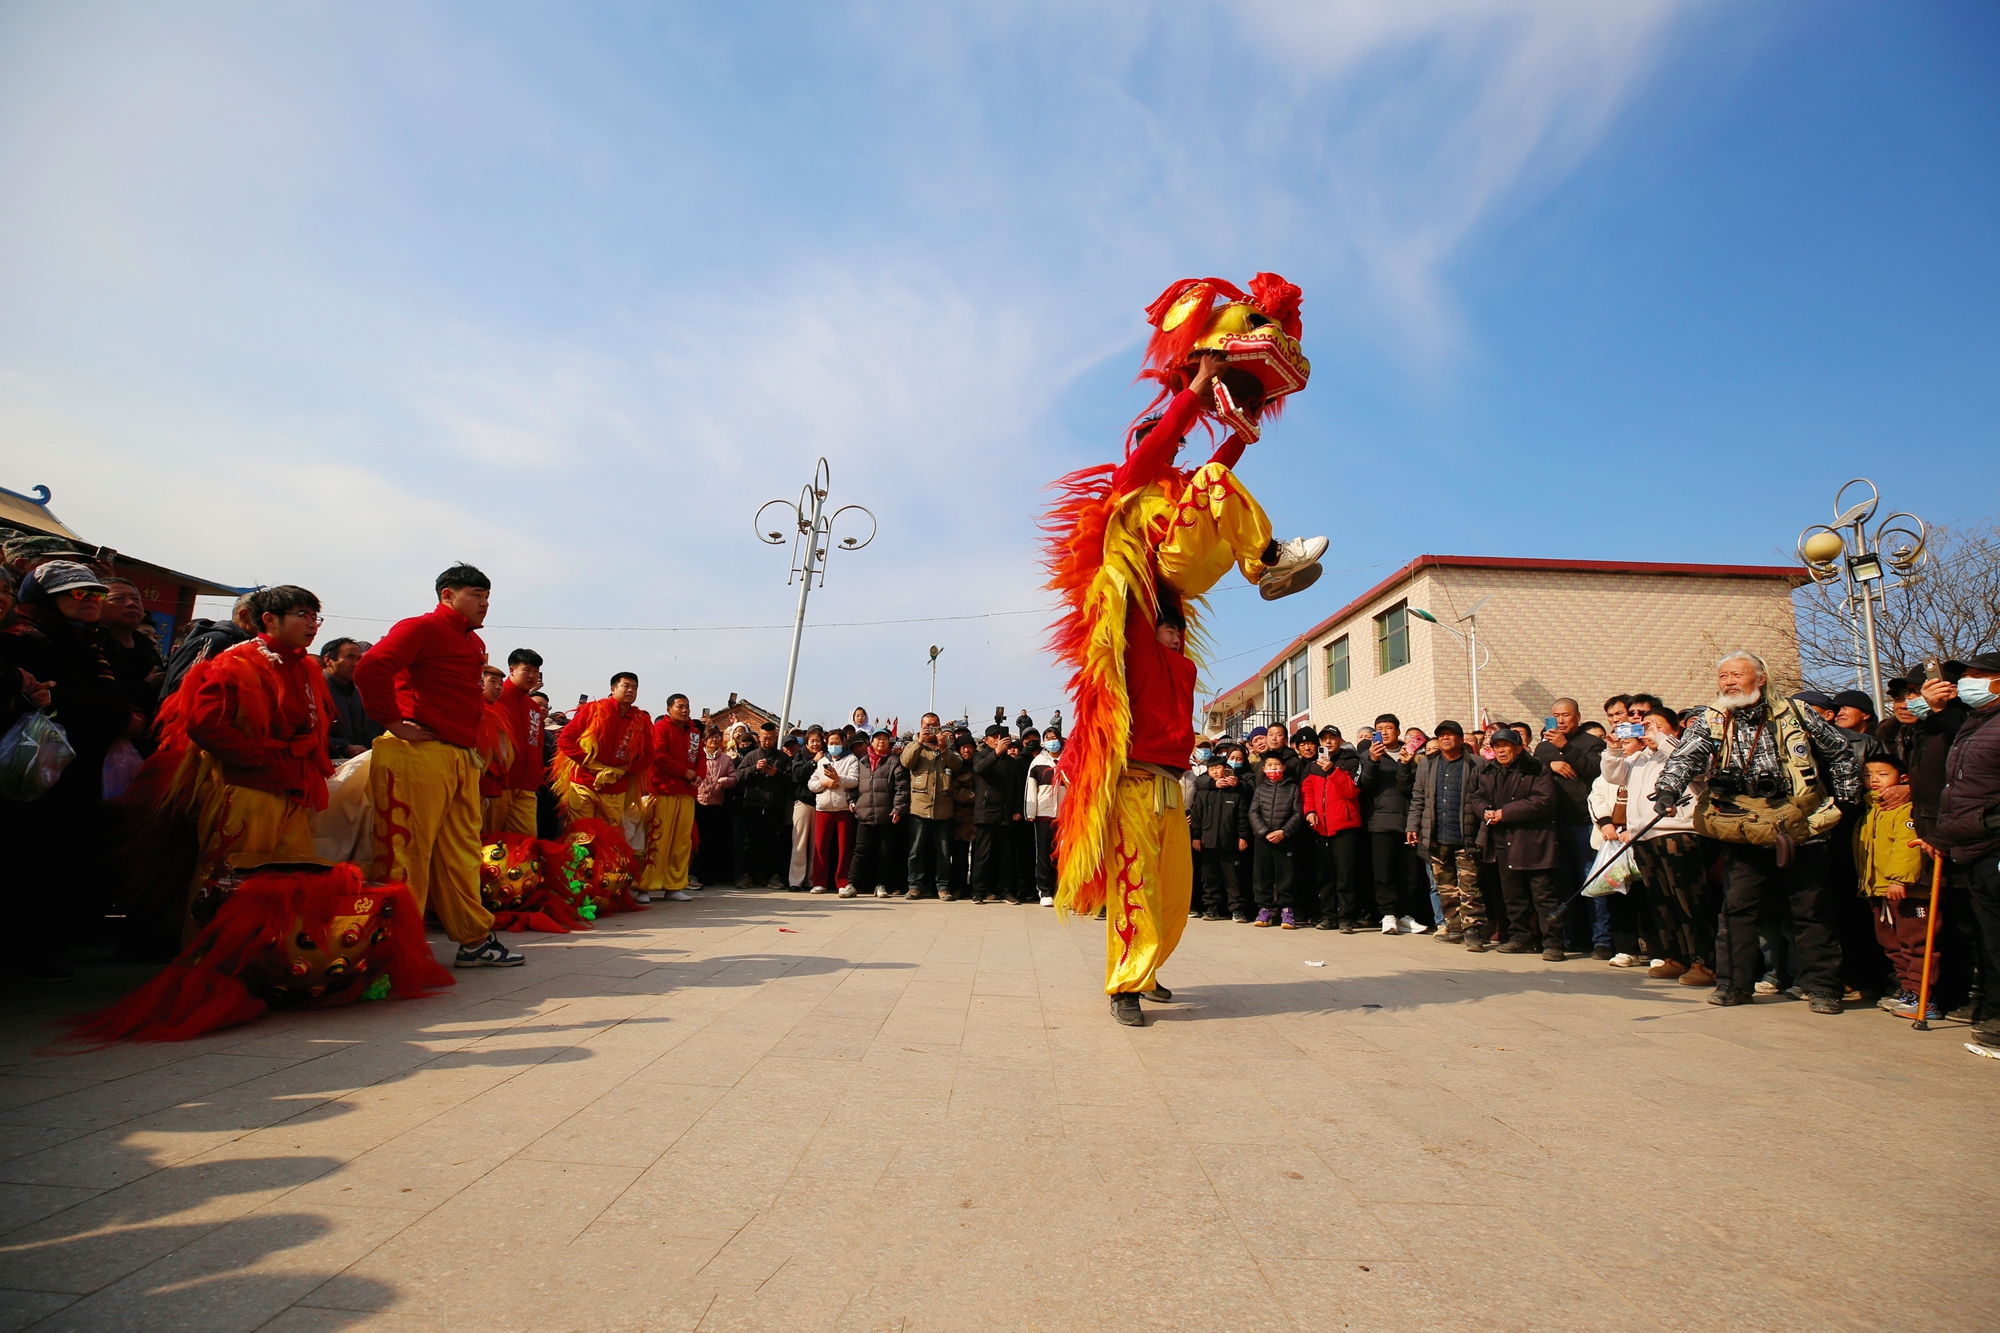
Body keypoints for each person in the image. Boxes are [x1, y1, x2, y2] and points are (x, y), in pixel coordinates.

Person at [1045, 273, 1326, 1026]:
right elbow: (1163, 458)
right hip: (1134, 765)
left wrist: (1245, 422)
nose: (1164, 478)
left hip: (1174, 767)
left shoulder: (1170, 598)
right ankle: (1124, 983)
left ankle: (1153, 967)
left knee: (1174, 887)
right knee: (1137, 881)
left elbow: (1216, 478)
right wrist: (1196, 390)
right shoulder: (1126, 561)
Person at [1652, 650, 1861, 1012]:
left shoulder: (1796, 712)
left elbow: (1840, 751)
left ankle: (1823, 988)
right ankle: (1734, 985)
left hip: (1801, 823)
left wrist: (1845, 801)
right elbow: (1685, 756)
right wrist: (1670, 789)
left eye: (1737, 675)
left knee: (1812, 909)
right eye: (1723, 676)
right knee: (1737, 909)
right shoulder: (1712, 719)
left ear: (1760, 679)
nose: (1729, 682)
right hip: (1742, 823)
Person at [353, 564, 522, 967]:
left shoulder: (472, 644)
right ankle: (393, 946)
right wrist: (393, 722)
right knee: (405, 851)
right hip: (418, 755)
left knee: (462, 853)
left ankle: (474, 938)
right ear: (447, 595)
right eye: (475, 595)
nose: (484, 604)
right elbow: (370, 667)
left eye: (487, 597)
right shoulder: (420, 628)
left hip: (458, 757)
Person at [172, 584, 335, 910]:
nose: (312, 624)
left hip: (289, 784)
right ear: (269, 619)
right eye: (302, 615)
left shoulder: (303, 666)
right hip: (247, 785)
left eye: (316, 616)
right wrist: (258, 759)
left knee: (290, 877)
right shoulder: (237, 661)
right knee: (232, 878)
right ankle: (216, 955)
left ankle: (271, 956)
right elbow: (205, 723)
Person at [1602, 707, 1715, 986]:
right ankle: (1674, 957)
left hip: (1678, 833)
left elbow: (1701, 769)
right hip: (1644, 837)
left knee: (1689, 901)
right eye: (1644, 726)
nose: (1649, 731)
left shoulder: (1681, 751)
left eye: (1655, 725)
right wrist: (1615, 750)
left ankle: (1704, 961)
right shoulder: (1640, 758)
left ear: (1673, 728)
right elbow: (1613, 776)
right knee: (1661, 903)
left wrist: (1663, 740)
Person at [1934, 652, 2000, 1049]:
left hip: (1993, 839)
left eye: (1979, 675)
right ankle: (1993, 1011)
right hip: (1972, 844)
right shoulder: (1975, 723)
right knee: (1992, 940)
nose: (1968, 681)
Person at [1851, 754, 1937, 1020]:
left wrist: (1899, 879)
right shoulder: (1871, 810)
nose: (1874, 780)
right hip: (1879, 890)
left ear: (1903, 779)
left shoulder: (1905, 809)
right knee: (1892, 945)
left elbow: (1907, 846)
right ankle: (1907, 990)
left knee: (1917, 945)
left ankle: (1925, 999)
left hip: (1907, 890)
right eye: (1867, 775)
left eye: (1882, 774)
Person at [1469, 726, 1565, 959]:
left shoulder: (1536, 769)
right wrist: (1487, 812)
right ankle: (1519, 938)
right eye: (1497, 747)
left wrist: (1505, 813)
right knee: (1512, 895)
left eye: (1506, 746)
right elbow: (1478, 797)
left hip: (1534, 841)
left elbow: (1542, 801)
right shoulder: (1489, 771)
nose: (1501, 751)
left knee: (1543, 896)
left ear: (1519, 748)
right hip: (1503, 841)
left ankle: (1553, 943)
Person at [1534, 698, 1610, 958]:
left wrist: (1565, 748)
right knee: (1563, 885)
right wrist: (1549, 765)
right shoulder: (1543, 748)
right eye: (1556, 715)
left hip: (1584, 823)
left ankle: (1602, 940)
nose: (1561, 720)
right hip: (1554, 824)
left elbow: (1594, 770)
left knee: (1592, 883)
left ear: (1577, 716)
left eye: (1566, 715)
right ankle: (1570, 937)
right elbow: (1530, 774)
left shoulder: (1592, 743)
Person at [1407, 720, 1485, 950]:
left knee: (1469, 887)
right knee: (1445, 887)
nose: (1445, 739)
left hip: (1465, 835)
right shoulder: (1428, 764)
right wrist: (1413, 826)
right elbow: (1418, 797)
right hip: (1436, 835)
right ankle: (1455, 927)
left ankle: (1473, 930)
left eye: (1450, 735)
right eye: (1441, 735)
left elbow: (1484, 800)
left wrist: (1482, 835)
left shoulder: (1477, 764)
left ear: (1461, 739)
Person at [552, 673, 653, 830]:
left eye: (634, 688)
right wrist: (589, 763)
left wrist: (625, 769)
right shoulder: (593, 711)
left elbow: (648, 756)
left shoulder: (641, 720)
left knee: (608, 836)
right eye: (626, 686)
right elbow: (565, 740)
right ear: (613, 689)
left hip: (616, 787)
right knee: (580, 834)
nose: (630, 691)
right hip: (584, 782)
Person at [1357, 714, 1425, 935]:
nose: (1384, 732)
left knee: (1409, 873)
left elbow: (1410, 790)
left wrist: (1404, 765)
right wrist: (1373, 762)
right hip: (1380, 822)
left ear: (1398, 731)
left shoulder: (1412, 755)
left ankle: (1407, 915)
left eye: (1388, 728)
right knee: (1383, 872)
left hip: (1407, 823)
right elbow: (1364, 787)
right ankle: (1388, 915)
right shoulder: (1368, 755)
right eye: (1380, 728)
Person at [488, 649, 546, 839]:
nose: (532, 676)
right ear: (512, 670)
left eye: (536, 671)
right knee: (489, 840)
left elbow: (537, 743)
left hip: (527, 786)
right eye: (526, 670)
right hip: (498, 785)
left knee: (526, 843)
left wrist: (537, 773)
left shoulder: (533, 707)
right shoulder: (495, 699)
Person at [902, 713, 960, 900]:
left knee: (944, 852)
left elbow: (958, 765)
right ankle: (914, 886)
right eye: (927, 725)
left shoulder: (947, 746)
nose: (931, 729)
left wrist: (944, 749)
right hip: (919, 807)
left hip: (943, 809)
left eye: (935, 725)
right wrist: (919, 742)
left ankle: (943, 887)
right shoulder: (915, 745)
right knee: (915, 850)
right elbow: (906, 762)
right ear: (921, 726)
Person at [100, 578, 165, 742]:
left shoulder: (144, 644)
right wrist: (145, 687)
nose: (130, 604)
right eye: (118, 599)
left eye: (136, 599)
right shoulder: (93, 644)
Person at [848, 728, 910, 899]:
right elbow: (853, 784)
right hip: (864, 815)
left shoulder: (894, 762)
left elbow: (902, 788)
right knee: (860, 851)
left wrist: (898, 809)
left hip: (886, 816)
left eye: (884, 739)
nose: (881, 742)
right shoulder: (862, 762)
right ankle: (852, 884)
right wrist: (851, 800)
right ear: (872, 742)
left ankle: (881, 885)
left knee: (885, 853)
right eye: (877, 739)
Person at [1189, 753, 1251, 922]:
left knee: (1234, 878)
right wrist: (1196, 837)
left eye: (1218, 768)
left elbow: (1242, 817)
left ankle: (1237, 909)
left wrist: (1243, 836)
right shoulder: (1203, 793)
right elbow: (1197, 817)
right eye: (1211, 769)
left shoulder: (1235, 793)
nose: (1215, 772)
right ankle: (1211, 907)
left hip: (1229, 842)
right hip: (1207, 842)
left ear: (1226, 769)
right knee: (1210, 877)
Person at [160, 592, 256, 697]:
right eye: (264, 616)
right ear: (244, 615)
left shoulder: (248, 644)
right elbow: (184, 686)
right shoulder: (214, 640)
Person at [1248, 752, 1305, 927]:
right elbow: (1253, 812)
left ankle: (1287, 910)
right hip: (1263, 839)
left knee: (1286, 876)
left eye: (1277, 765)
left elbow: (1297, 813)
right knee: (1262, 875)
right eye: (1270, 765)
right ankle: (1264, 910)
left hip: (1285, 839)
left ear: (1284, 767)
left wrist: (1284, 831)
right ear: (1264, 769)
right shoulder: (1260, 789)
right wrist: (1264, 832)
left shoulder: (1293, 788)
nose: (1274, 768)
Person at [970, 725, 1024, 905]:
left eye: (1001, 737)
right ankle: (978, 891)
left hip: (1006, 813)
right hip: (986, 812)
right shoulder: (981, 756)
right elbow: (980, 769)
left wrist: (1017, 809)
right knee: (982, 855)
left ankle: (1006, 891)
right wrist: (996, 753)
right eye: (993, 737)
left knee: (1006, 856)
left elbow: (1016, 788)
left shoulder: (1011, 761)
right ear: (986, 740)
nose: (997, 739)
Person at [736, 722, 792, 890]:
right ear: (759, 738)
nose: (767, 741)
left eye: (770, 738)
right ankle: (748, 875)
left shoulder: (783, 758)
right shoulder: (751, 756)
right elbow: (739, 776)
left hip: (774, 806)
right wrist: (754, 768)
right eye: (764, 738)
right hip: (752, 805)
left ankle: (773, 876)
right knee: (751, 842)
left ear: (775, 738)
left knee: (773, 842)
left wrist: (778, 774)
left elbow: (791, 779)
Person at [807, 729, 860, 894]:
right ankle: (819, 882)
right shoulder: (822, 760)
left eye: (837, 742)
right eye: (831, 743)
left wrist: (838, 779)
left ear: (844, 742)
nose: (834, 746)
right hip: (823, 809)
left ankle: (843, 882)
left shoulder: (851, 759)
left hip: (844, 809)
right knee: (820, 847)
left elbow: (854, 781)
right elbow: (812, 784)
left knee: (845, 848)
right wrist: (825, 783)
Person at [320, 637, 381, 759]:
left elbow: (366, 733)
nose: (356, 664)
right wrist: (343, 747)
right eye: (350, 657)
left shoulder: (357, 694)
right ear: (328, 660)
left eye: (359, 659)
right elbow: (305, 734)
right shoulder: (314, 690)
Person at [693, 729, 737, 887]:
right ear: (704, 740)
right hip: (699, 803)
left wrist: (724, 781)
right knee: (697, 840)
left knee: (712, 841)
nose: (714, 740)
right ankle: (695, 873)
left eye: (717, 737)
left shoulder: (726, 759)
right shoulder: (698, 757)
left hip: (716, 804)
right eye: (711, 737)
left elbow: (734, 778)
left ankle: (709, 874)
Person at [1025, 730, 1063, 907]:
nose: (1051, 741)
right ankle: (1046, 891)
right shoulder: (1038, 762)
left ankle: (1063, 891)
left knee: (1064, 855)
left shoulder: (1070, 760)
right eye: (1047, 739)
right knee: (1044, 854)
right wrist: (1030, 813)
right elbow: (1031, 789)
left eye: (1054, 738)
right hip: (1044, 814)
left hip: (1065, 816)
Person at [786, 728, 825, 891]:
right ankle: (796, 880)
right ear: (806, 742)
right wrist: (814, 762)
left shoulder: (828, 756)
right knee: (799, 843)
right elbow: (797, 776)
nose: (815, 744)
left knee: (816, 845)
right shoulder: (800, 757)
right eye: (812, 741)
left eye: (818, 740)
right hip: (803, 802)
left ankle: (811, 879)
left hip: (822, 804)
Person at [947, 731, 978, 900]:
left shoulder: (980, 764)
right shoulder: (956, 767)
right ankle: (958, 886)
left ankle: (976, 886)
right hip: (960, 820)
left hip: (979, 818)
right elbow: (954, 790)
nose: (967, 751)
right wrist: (976, 796)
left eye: (969, 747)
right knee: (959, 857)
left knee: (978, 857)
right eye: (963, 748)